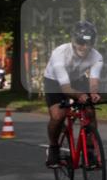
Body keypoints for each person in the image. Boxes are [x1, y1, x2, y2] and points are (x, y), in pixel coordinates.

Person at [44, 21, 103, 167]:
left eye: (88, 43)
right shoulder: (60, 53)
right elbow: (65, 88)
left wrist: (93, 93)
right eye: (80, 42)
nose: (84, 47)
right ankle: (53, 148)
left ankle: (89, 151)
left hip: (77, 79)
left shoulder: (97, 57)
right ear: (73, 40)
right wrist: (78, 96)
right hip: (55, 82)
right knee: (58, 116)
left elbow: (94, 80)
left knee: (89, 110)